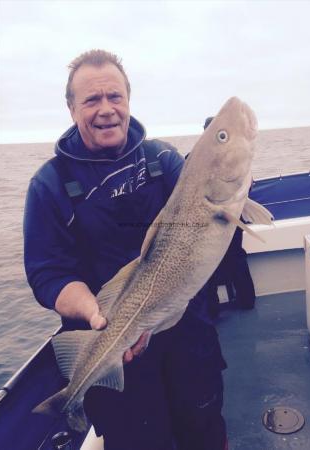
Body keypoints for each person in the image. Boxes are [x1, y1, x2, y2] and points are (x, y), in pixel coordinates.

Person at [23, 50, 228, 450]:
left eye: (114, 97)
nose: (106, 110)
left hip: (186, 334)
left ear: (128, 100)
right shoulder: (48, 186)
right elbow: (48, 274)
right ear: (71, 108)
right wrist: (95, 313)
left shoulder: (164, 160)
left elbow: (205, 228)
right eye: (91, 100)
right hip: (111, 346)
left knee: (205, 428)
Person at [202, 117, 256, 318]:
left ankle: (213, 308)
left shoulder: (193, 158)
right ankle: (246, 301)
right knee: (236, 258)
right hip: (232, 219)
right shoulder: (237, 159)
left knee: (212, 263)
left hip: (216, 223)